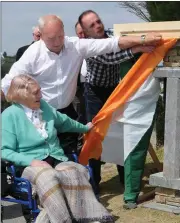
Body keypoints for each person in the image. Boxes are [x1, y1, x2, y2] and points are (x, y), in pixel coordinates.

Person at [1, 14, 162, 158]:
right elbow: (8, 82)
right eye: (51, 38)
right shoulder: (32, 54)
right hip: (41, 115)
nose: (57, 42)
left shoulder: (75, 46)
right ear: (41, 36)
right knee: (45, 157)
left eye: (60, 36)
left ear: (64, 30)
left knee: (68, 157)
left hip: (67, 113)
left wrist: (142, 40)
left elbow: (111, 44)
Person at [1, 75, 114, 223]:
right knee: (49, 178)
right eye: (36, 93)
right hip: (29, 165)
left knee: (75, 170)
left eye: (40, 91)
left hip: (57, 157)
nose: (40, 95)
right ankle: (62, 219)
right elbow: (4, 151)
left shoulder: (44, 107)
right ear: (22, 95)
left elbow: (65, 122)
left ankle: (89, 217)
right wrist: (32, 161)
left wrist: (85, 128)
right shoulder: (9, 116)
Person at [78, 10, 156, 194]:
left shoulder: (115, 36)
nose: (97, 25)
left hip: (114, 89)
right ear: (86, 32)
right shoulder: (88, 46)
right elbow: (111, 58)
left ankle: (124, 177)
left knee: (121, 133)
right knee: (94, 135)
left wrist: (140, 40)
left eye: (98, 21)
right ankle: (94, 182)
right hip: (94, 94)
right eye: (92, 25)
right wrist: (138, 47)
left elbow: (123, 43)